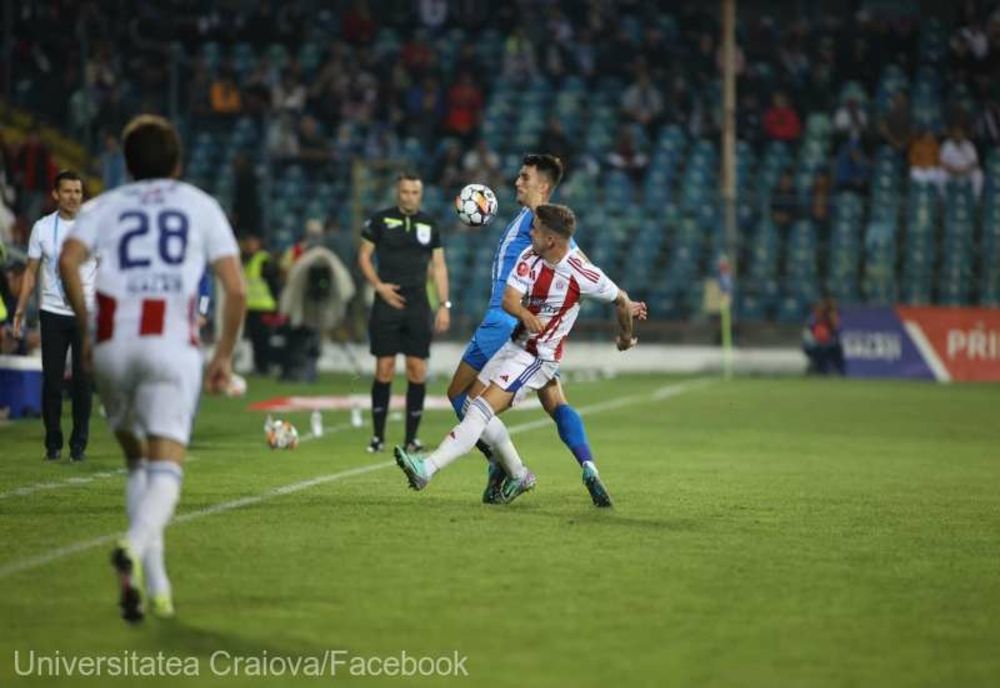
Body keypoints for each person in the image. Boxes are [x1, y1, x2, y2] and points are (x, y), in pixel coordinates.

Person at [58, 114, 247, 623]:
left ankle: (156, 587)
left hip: (114, 344)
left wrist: (87, 326)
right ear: (178, 163)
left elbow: (68, 261)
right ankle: (134, 546)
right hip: (170, 347)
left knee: (138, 465)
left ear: (126, 162)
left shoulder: (104, 205)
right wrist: (223, 356)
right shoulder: (199, 205)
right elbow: (236, 287)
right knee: (165, 467)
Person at [394, 204, 646, 503]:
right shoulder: (530, 256)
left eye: (536, 229)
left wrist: (626, 338)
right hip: (514, 345)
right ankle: (517, 472)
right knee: (468, 402)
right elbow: (509, 299)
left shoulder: (582, 272)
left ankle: (427, 468)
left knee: (479, 410)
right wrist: (525, 314)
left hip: (539, 357)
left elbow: (621, 300)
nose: (530, 232)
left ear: (551, 239)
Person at [444, 154, 638, 507]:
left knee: (461, 396)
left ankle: (504, 467)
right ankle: (588, 466)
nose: (517, 182)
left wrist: (623, 301)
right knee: (556, 402)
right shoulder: (531, 220)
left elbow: (581, 267)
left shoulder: (544, 231)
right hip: (533, 336)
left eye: (525, 177)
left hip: (508, 327)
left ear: (543, 187)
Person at [358, 172, 450, 454]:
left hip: (418, 304)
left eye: (414, 192)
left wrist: (444, 305)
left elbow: (439, 267)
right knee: (384, 369)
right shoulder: (380, 220)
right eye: (405, 191)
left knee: (417, 370)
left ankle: (412, 439)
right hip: (387, 302)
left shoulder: (429, 224)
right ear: (398, 192)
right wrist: (379, 287)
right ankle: (377, 437)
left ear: (420, 195)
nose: (409, 196)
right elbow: (363, 257)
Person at [13, 170, 97, 461]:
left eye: (78, 191)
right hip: (51, 312)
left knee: (84, 382)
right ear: (56, 194)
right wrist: (21, 309)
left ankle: (79, 444)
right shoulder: (42, 228)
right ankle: (53, 442)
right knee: (52, 381)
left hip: (85, 314)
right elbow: (30, 273)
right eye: (68, 191)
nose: (73, 196)